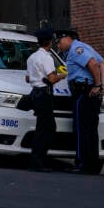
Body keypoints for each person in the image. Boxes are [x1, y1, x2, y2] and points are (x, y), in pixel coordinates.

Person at [56, 28, 104, 173]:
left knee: (81, 129)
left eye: (59, 42)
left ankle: (83, 164)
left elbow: (93, 64)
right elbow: (103, 63)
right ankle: (92, 164)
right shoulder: (85, 46)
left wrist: (97, 85)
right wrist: (102, 85)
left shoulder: (76, 49)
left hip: (83, 92)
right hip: (90, 91)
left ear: (67, 38)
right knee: (90, 129)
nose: (58, 45)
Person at [26, 28, 67, 171]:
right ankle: (38, 161)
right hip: (44, 95)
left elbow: (27, 78)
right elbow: (52, 78)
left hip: (35, 93)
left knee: (42, 128)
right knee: (47, 130)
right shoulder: (47, 58)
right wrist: (64, 74)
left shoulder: (32, 57)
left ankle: (36, 159)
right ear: (49, 42)